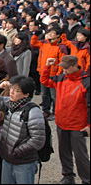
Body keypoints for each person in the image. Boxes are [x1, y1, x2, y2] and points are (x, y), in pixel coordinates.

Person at [0, 76, 46, 184]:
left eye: (16, 90)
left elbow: (37, 140)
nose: (11, 92)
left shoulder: (33, 112)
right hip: (7, 159)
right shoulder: (10, 104)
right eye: (12, 88)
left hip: (23, 162)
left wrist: (16, 151)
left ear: (26, 94)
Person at [42, 56, 90, 185]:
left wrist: (89, 125)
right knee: (64, 153)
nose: (63, 70)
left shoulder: (86, 82)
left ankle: (86, 179)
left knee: (81, 156)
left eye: (66, 68)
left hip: (78, 125)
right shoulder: (61, 78)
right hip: (61, 123)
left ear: (75, 66)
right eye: (62, 67)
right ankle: (68, 176)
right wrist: (47, 66)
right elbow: (44, 80)